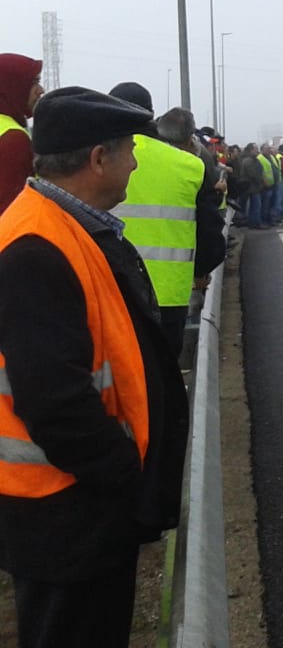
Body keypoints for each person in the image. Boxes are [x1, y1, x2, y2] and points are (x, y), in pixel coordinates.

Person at [0, 86, 189, 647]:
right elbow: (55, 401)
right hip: (67, 511)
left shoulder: (67, 228)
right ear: (98, 158)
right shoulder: (36, 248)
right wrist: (123, 473)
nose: (136, 163)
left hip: (74, 502)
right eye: (129, 149)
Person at [107, 84, 218, 358]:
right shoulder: (189, 165)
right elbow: (209, 231)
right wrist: (201, 270)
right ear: (150, 114)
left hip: (111, 290)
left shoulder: (97, 161)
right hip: (170, 294)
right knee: (165, 371)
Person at [0, 54, 44, 215]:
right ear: (12, 85)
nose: (41, 90)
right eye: (34, 82)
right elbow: (12, 212)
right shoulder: (13, 139)